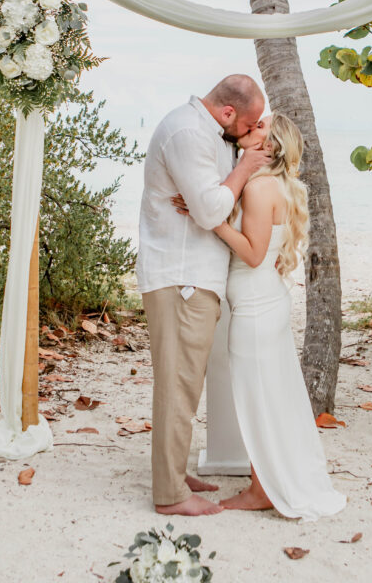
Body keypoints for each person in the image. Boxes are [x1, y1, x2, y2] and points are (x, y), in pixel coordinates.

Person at [175, 113, 346, 521]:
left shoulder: (260, 188)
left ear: (270, 146)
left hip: (256, 310)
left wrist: (211, 219)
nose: (250, 129)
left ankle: (260, 490)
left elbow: (251, 254)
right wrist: (208, 205)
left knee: (257, 400)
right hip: (264, 304)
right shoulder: (274, 185)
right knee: (272, 396)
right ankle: (266, 482)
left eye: (259, 128)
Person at [138, 75, 269, 517]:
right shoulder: (188, 131)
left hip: (192, 276)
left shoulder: (205, 133)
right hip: (181, 277)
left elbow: (212, 205)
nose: (246, 135)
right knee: (178, 386)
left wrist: (212, 197)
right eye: (247, 124)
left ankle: (172, 474)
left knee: (185, 386)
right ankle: (171, 495)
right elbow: (213, 207)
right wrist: (242, 170)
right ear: (228, 112)